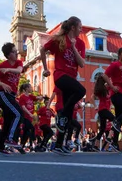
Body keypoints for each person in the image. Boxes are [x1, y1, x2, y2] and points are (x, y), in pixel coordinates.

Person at [40, 16, 86, 155]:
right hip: (60, 76)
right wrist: (45, 68)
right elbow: (43, 49)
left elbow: (82, 63)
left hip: (71, 78)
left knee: (68, 115)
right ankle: (63, 117)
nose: (81, 30)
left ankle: (59, 145)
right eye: (79, 27)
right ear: (73, 27)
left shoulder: (80, 43)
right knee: (81, 90)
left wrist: (73, 46)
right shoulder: (59, 39)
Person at [0, 42, 24, 155]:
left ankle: (0, 147)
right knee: (18, 114)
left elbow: (19, 70)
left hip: (11, 95)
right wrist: (2, 84)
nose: (17, 53)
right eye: (14, 52)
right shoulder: (2, 65)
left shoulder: (18, 62)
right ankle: (11, 139)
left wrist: (8, 70)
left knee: (8, 121)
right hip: (2, 94)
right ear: (9, 55)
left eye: (16, 51)